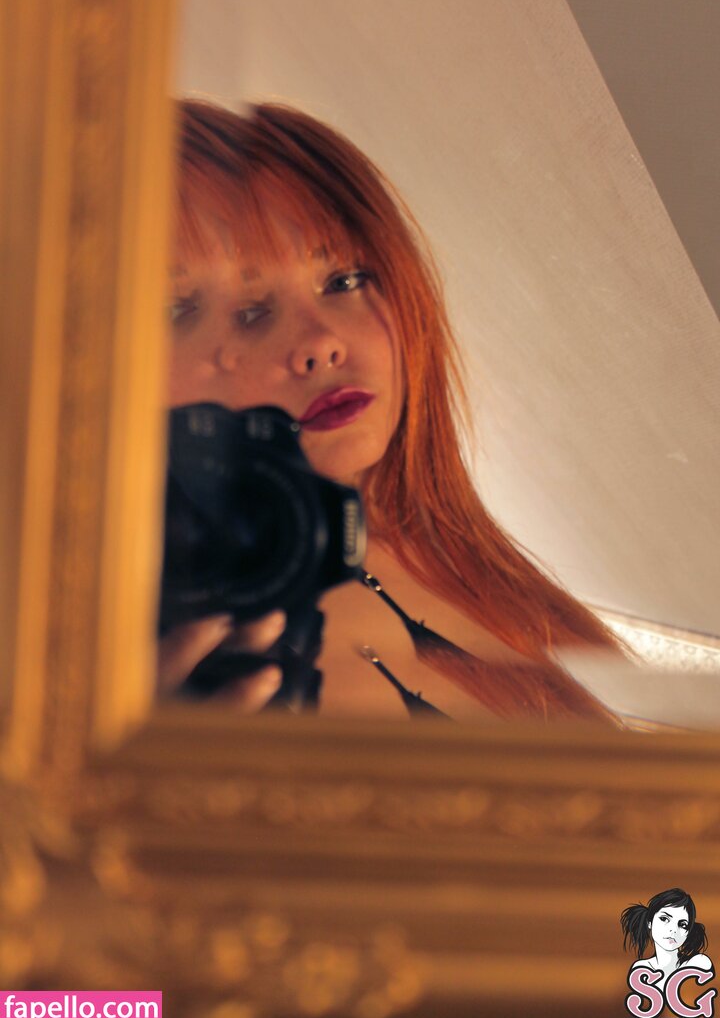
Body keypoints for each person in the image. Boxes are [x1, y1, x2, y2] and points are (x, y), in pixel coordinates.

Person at [159, 98, 624, 723]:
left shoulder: (476, 566)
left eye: (344, 280)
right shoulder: (144, 651)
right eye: (244, 312)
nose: (321, 342)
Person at [622, 888, 712, 988]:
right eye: (664, 919)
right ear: (649, 922)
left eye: (682, 925)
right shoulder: (641, 969)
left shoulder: (698, 963)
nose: (673, 930)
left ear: (688, 932)